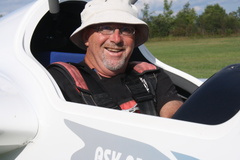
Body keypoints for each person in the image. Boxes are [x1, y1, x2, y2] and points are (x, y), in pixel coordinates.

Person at [48, 0, 183, 118]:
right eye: (105, 28)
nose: (116, 39)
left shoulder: (151, 76)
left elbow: (175, 117)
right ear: (86, 37)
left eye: (126, 30)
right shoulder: (60, 81)